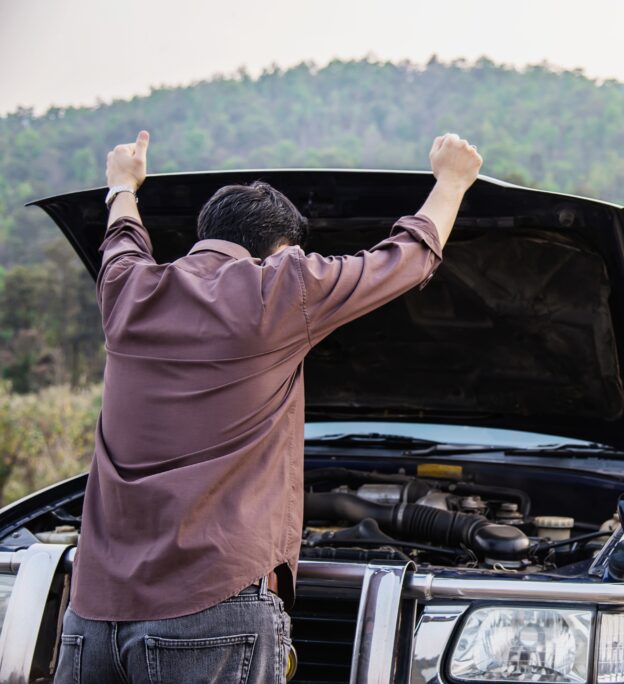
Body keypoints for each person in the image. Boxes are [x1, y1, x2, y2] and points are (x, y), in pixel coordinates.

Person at [54, 130, 482, 683]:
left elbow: (122, 237)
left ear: (205, 234)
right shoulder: (282, 287)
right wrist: (452, 180)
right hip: (211, 605)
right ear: (282, 249)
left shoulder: (126, 288)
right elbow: (406, 259)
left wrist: (123, 184)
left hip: (91, 615)